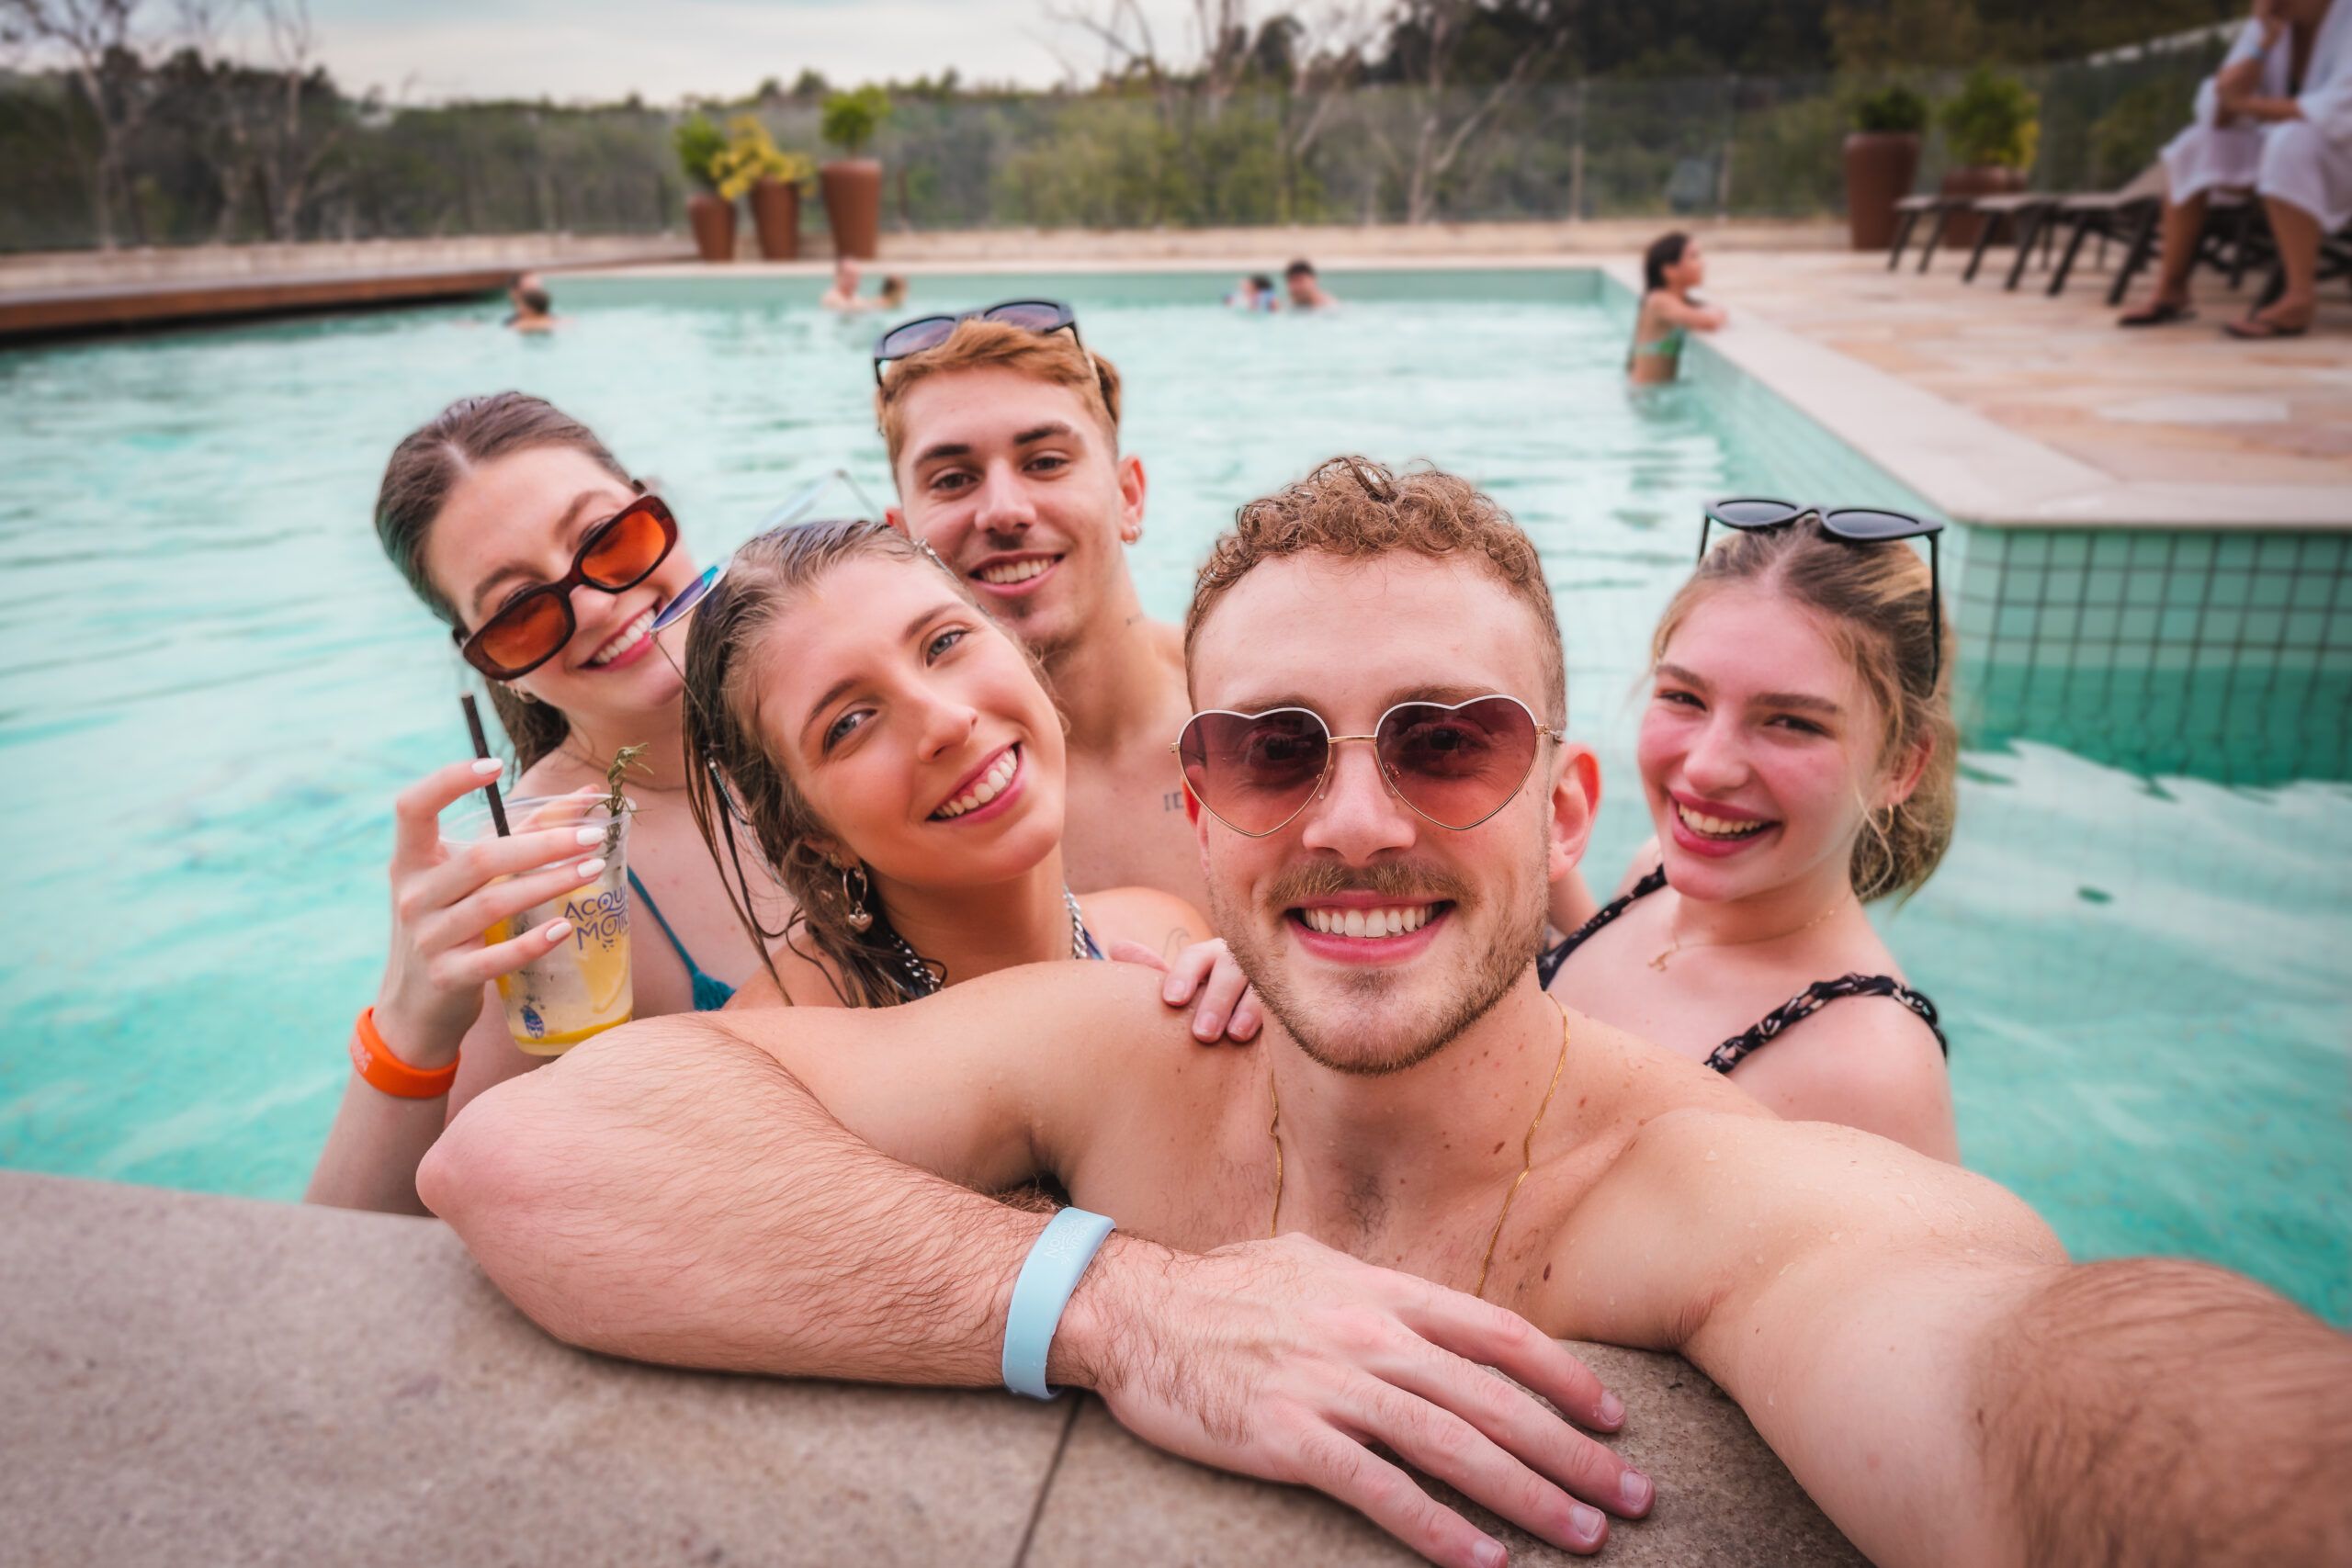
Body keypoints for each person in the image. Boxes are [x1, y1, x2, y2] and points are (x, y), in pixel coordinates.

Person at [423, 457, 2352, 1568]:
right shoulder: (1111, 1043)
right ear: (1196, 811)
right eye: (1274, 749)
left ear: (1567, 810)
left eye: (1446, 740)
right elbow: (526, 1147)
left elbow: (2005, 1363)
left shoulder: (1697, 1177)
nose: (1353, 817)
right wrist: (1119, 1307)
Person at [305, 394, 786, 1215]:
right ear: (492, 663)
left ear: (654, 506)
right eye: (518, 610)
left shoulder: (838, 695)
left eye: (605, 536)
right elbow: (358, 1245)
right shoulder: (546, 880)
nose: (596, 604)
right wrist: (410, 1024)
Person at [674, 515, 1254, 1035]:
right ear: (809, 830)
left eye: (945, 642)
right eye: (850, 723)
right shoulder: (771, 1059)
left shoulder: (1164, 935)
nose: (947, 722)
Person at [1542, 507, 1958, 1160]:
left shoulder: (1871, 1070)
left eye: (1791, 722)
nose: (1707, 768)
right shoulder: (1655, 876)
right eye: (1685, 697)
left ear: (1901, 766)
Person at [874, 303, 1204, 910]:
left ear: (1128, 496)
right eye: (952, 479)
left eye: (1046, 462)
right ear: (903, 541)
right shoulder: (895, 800)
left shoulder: (1259, 708)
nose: (1004, 511)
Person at [2120, 0, 2349, 338]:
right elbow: (2217, 107)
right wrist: (2262, 46)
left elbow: (2340, 110)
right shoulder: (2270, 24)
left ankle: (2299, 296)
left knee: (2290, 141)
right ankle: (2171, 289)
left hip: (2339, 153)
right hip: (2286, 150)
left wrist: (2247, 105)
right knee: (2194, 145)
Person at [1626, 231, 1726, 385]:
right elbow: (1709, 322)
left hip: (1657, 390)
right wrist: (1714, 315)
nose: (1703, 264)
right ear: (1670, 270)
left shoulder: (1680, 301)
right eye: (1694, 257)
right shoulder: (1659, 300)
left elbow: (1713, 312)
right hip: (1645, 394)